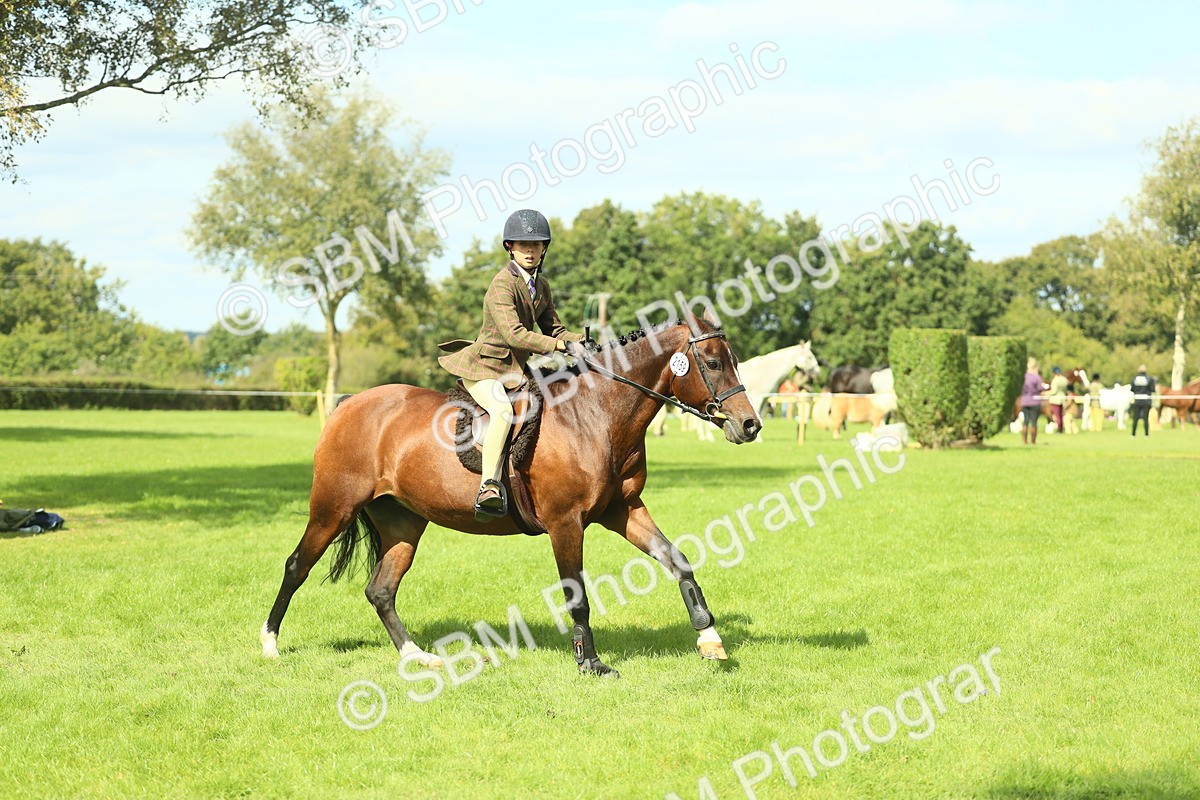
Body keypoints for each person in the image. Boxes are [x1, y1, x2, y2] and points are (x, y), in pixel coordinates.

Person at [437, 209, 585, 520]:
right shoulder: (501, 284)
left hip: (515, 371)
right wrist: (560, 346)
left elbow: (555, 329)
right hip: (485, 368)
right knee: (502, 411)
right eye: (523, 245)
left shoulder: (541, 286)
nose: (530, 251)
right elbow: (515, 335)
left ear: (544, 248)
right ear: (510, 247)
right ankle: (488, 486)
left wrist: (581, 340)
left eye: (536, 245)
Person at [1019, 357, 1044, 445]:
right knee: (1034, 422)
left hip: (1025, 401)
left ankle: (1024, 441)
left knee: (1025, 421)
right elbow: (1040, 388)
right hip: (1034, 401)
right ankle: (1033, 441)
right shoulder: (1036, 377)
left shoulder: (1023, 377)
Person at [1130, 364, 1155, 437]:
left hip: (1137, 399)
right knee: (1145, 418)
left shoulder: (1134, 378)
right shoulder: (1149, 378)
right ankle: (1146, 434)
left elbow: (1132, 389)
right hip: (1146, 400)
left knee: (1135, 418)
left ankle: (1133, 434)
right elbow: (1152, 389)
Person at [1047, 366, 1068, 433]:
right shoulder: (1064, 379)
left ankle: (1059, 428)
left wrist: (1045, 393)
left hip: (1055, 400)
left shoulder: (1055, 380)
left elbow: (1053, 391)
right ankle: (1061, 427)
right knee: (1061, 415)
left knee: (1057, 415)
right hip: (1062, 398)